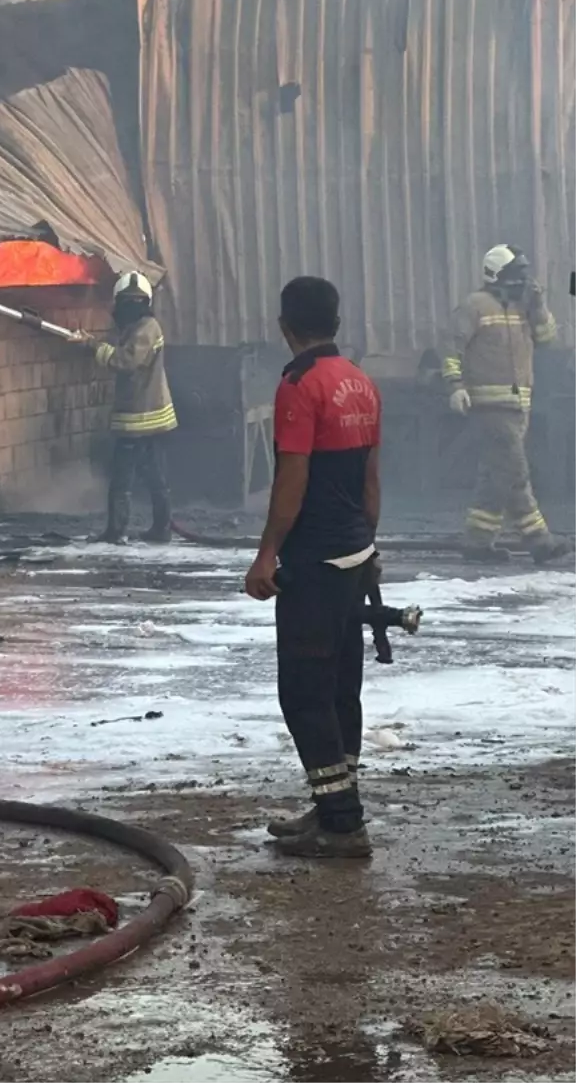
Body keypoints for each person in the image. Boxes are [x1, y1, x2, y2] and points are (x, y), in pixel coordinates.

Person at [244, 276, 381, 859]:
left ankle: (343, 824)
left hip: (316, 558)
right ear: (336, 322)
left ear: (285, 326)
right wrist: (369, 544)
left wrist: (267, 551)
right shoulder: (359, 381)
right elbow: (372, 474)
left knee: (303, 689)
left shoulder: (300, 386)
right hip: (352, 552)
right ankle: (333, 803)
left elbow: (292, 477)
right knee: (340, 684)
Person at [442, 245, 561, 563]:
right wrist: (455, 385)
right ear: (496, 275)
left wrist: (540, 305)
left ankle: (477, 542)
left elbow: (548, 338)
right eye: (515, 274)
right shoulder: (474, 306)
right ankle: (540, 542)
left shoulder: (524, 305)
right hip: (489, 406)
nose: (522, 280)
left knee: (496, 474)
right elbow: (452, 349)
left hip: (519, 404)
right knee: (516, 470)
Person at [78, 270, 176, 544]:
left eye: (132, 301)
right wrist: (92, 342)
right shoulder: (138, 327)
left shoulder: (146, 328)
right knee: (155, 477)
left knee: (122, 481)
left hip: (139, 421)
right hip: (149, 419)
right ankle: (161, 529)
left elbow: (125, 360)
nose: (127, 307)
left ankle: (117, 531)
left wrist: (93, 346)